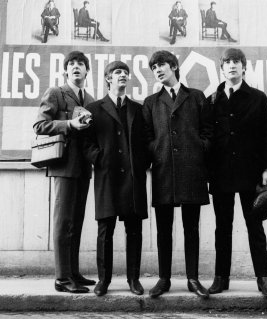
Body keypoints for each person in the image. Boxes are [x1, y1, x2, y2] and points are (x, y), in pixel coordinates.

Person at [207, 48, 267, 298]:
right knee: (222, 228)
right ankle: (220, 279)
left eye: (237, 62)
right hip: (221, 175)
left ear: (244, 68)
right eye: (227, 62)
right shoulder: (213, 100)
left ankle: (264, 279)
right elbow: (207, 138)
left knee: (255, 227)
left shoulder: (257, 98)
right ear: (222, 69)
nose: (232, 66)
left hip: (251, 174)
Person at [142, 50, 213, 299]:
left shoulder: (196, 97)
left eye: (161, 65)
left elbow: (208, 132)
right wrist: (157, 152)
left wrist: (198, 149)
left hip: (191, 171)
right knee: (164, 228)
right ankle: (164, 279)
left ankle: (193, 279)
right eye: (154, 68)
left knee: (191, 227)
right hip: (164, 172)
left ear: (173, 66)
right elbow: (147, 137)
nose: (158, 70)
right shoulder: (151, 102)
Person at [82, 61, 148, 297]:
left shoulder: (138, 109)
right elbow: (85, 143)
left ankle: (134, 279)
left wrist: (141, 164)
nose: (123, 75)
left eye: (125, 73)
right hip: (107, 177)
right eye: (117, 72)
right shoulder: (94, 108)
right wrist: (99, 159)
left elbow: (146, 142)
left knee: (134, 231)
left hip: (133, 179)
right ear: (108, 78)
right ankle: (104, 280)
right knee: (105, 230)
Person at [33, 51, 95, 293]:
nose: (76, 67)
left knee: (76, 222)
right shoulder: (56, 93)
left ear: (87, 71)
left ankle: (74, 273)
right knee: (63, 222)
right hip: (63, 166)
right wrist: (68, 124)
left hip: (84, 168)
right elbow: (39, 125)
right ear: (66, 71)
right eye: (72, 64)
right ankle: (61, 277)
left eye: (81, 64)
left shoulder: (89, 98)